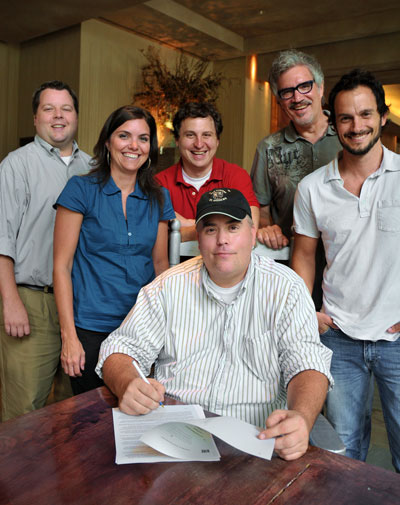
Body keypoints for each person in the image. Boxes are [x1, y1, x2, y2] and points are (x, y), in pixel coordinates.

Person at [96, 188, 333, 461]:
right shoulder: (168, 286)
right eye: (211, 230)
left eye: (233, 227)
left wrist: (301, 417)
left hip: (254, 441)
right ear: (198, 238)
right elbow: (120, 348)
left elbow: (307, 363)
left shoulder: (286, 288)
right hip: (176, 438)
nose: (222, 240)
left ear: (253, 234)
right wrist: (127, 383)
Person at [291, 69, 400, 472]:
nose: (357, 126)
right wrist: (308, 313)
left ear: (382, 117)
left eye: (365, 114)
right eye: (346, 118)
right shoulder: (313, 187)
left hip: (396, 337)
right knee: (344, 452)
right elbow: (303, 255)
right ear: (334, 124)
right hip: (337, 337)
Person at [53, 105, 175, 396]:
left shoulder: (159, 196)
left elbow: (160, 265)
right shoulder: (80, 189)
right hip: (90, 328)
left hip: (140, 328)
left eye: (143, 138)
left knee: (136, 413)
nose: (134, 146)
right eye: (124, 136)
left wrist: (170, 329)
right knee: (90, 421)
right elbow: (61, 266)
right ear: (107, 142)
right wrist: (69, 336)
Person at [0, 80, 91, 421]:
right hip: (31, 303)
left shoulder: (95, 168)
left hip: (80, 306)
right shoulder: (16, 165)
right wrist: (11, 303)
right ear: (36, 118)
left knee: (74, 414)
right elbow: (2, 238)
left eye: (66, 108)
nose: (58, 116)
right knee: (23, 416)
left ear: (76, 116)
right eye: (49, 109)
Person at [251, 49, 340, 251]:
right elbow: (260, 210)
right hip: (290, 260)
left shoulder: (348, 134)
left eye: (304, 86)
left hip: (346, 260)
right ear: (280, 102)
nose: (297, 98)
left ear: (320, 87)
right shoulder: (268, 148)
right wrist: (267, 228)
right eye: (287, 92)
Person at [156, 102, 259, 241]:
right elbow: (158, 238)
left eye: (206, 135)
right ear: (177, 140)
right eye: (190, 135)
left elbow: (249, 229)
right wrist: (222, 225)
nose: (199, 144)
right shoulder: (159, 183)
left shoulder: (236, 176)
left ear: (217, 140)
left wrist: (185, 227)